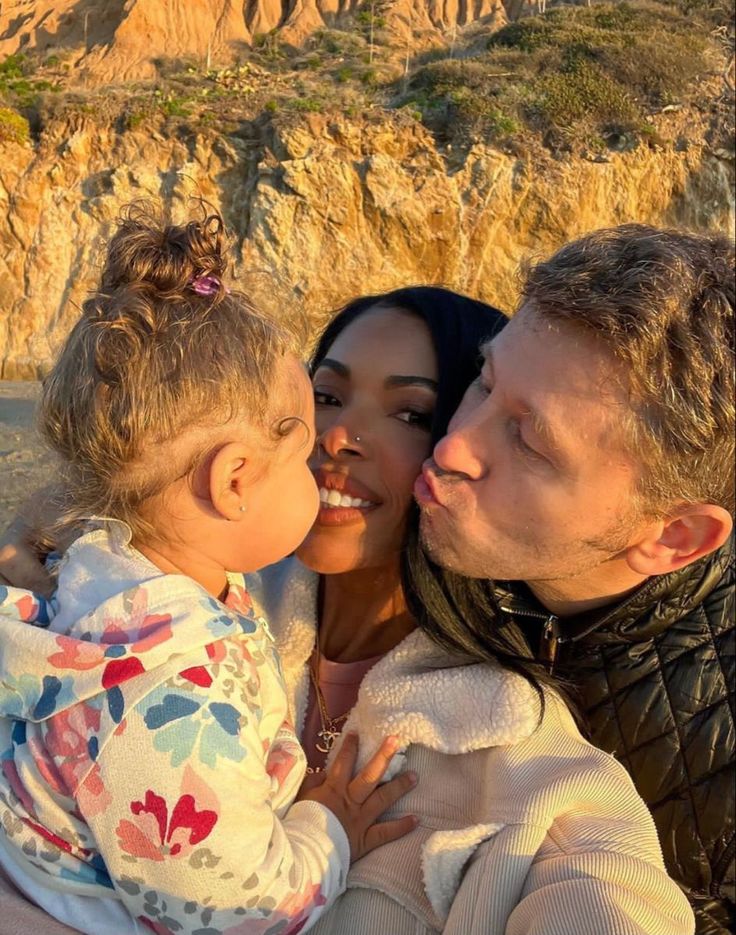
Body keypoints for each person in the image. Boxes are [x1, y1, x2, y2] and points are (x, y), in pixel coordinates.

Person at [0, 283, 697, 934]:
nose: (336, 436)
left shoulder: (502, 730)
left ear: (459, 446)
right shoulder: (144, 607)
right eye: (324, 397)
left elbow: (605, 879)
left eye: (409, 413)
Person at [0, 207, 417, 935]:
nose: (326, 460)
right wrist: (329, 829)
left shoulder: (96, 575)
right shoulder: (168, 691)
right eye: (304, 449)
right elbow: (243, 913)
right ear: (234, 482)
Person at [413, 226, 735, 935]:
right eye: (484, 379)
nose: (453, 444)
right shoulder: (423, 531)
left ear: (672, 536)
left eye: (529, 439)